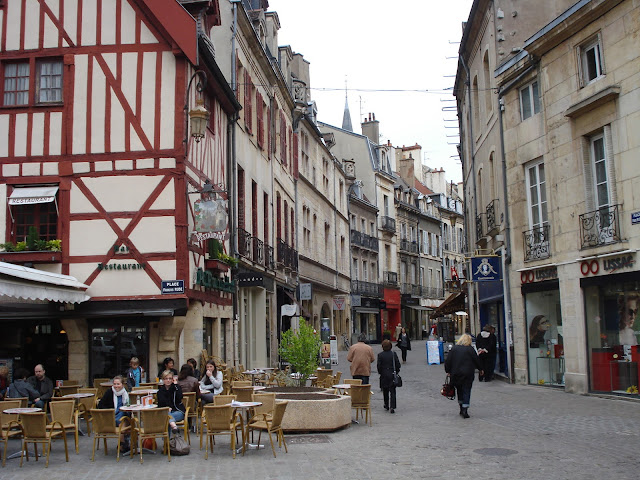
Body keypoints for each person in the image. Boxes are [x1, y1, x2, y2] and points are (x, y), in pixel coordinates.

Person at [444, 334, 483, 419]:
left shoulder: (454, 349)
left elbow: (448, 361)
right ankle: (465, 409)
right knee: (466, 390)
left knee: (459, 390)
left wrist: (448, 371)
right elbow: (476, 360)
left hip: (456, 373)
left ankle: (461, 407)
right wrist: (480, 369)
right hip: (467, 373)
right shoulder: (470, 349)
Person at [97, 375, 131, 451]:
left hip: (122, 415)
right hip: (110, 417)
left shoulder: (125, 393)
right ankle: (123, 443)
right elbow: (100, 405)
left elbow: (127, 405)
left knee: (126, 418)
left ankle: (123, 443)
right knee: (124, 420)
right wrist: (110, 411)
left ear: (122, 384)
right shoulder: (109, 392)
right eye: (114, 384)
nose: (116, 386)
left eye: (118, 384)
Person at [157, 370, 186, 435]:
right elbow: (160, 405)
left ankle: (167, 439)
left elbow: (180, 397)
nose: (168, 380)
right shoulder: (160, 391)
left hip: (177, 411)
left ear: (172, 379)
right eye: (166, 379)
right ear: (163, 380)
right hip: (166, 412)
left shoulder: (176, 388)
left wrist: (176, 385)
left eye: (170, 378)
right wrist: (166, 408)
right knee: (167, 417)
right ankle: (174, 426)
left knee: (167, 418)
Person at [377, 339, 401, 414]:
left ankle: (386, 404)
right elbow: (398, 364)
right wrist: (396, 371)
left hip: (384, 374)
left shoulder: (380, 355)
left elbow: (379, 366)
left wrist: (381, 372)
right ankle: (392, 406)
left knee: (385, 390)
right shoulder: (393, 354)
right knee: (393, 391)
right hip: (392, 374)